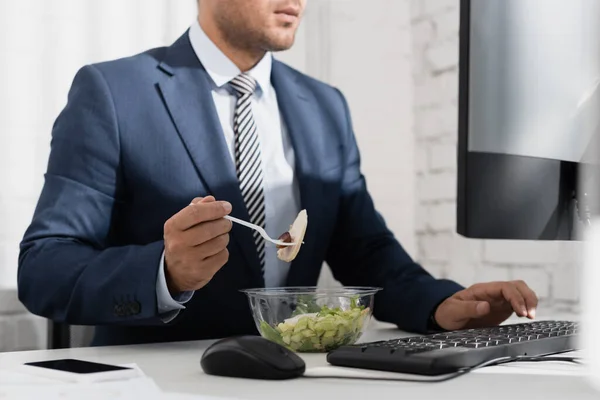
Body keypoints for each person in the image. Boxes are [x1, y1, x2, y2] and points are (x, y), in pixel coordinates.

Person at [18, 0, 538, 346]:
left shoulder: (324, 105)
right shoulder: (113, 92)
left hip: (296, 381)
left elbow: (367, 251)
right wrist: (164, 273)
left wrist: (443, 305)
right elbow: (44, 268)